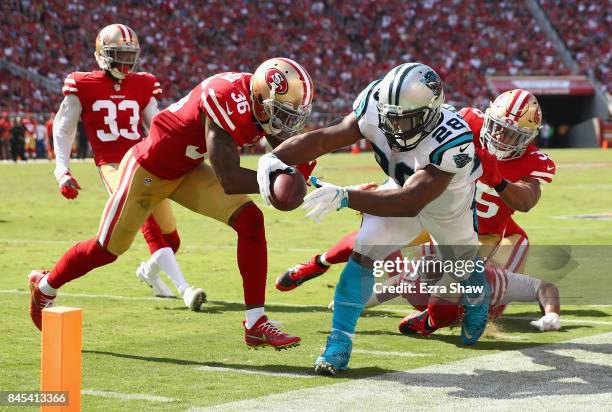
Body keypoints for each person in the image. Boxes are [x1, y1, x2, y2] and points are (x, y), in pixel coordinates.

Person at [29, 56, 313, 351]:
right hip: (148, 170)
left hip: (185, 169)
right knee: (107, 249)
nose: (286, 122)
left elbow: (283, 146)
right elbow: (228, 178)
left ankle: (255, 323)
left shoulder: (256, 99)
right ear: (259, 97)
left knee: (250, 220)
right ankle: (45, 286)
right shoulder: (225, 98)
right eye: (281, 112)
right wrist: (278, 182)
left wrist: (305, 174)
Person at [257, 63, 489, 375]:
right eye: (392, 118)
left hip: (447, 204)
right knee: (364, 253)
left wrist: (345, 196)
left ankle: (477, 292)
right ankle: (338, 343)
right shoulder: (374, 103)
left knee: (461, 266)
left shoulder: (453, 138)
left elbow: (413, 202)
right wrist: (275, 157)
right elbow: (326, 138)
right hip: (402, 188)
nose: (397, 128)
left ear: (431, 113)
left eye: (408, 120)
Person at [50, 24, 204, 309]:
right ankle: (186, 289)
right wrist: (62, 170)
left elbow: (157, 126)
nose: (125, 62)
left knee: (172, 239)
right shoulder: (81, 83)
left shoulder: (143, 82)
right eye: (118, 55)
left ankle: (147, 272)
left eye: (129, 55)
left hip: (144, 160)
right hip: (112, 164)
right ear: (102, 54)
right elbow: (63, 128)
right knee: (151, 228)